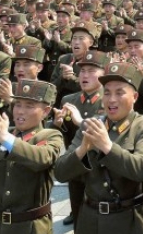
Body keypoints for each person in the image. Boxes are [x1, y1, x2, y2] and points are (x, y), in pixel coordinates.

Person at [54, 62, 143, 234]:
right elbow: (60, 172)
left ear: (134, 97)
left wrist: (107, 146)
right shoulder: (90, 125)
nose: (111, 99)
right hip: (90, 219)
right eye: (107, 93)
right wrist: (82, 150)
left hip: (129, 220)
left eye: (120, 93)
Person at [0, 80, 63, 233]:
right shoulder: (0, 135)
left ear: (46, 111)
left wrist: (5, 138)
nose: (20, 111)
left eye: (29, 106)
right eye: (18, 104)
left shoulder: (50, 135)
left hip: (30, 226)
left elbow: (41, 158)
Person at [51, 50, 110, 228]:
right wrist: (58, 124)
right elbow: (65, 135)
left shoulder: (110, 100)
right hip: (76, 168)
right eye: (82, 71)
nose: (85, 75)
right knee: (79, 216)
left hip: (101, 170)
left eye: (92, 71)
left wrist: (80, 121)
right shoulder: (69, 100)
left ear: (104, 74)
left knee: (102, 220)